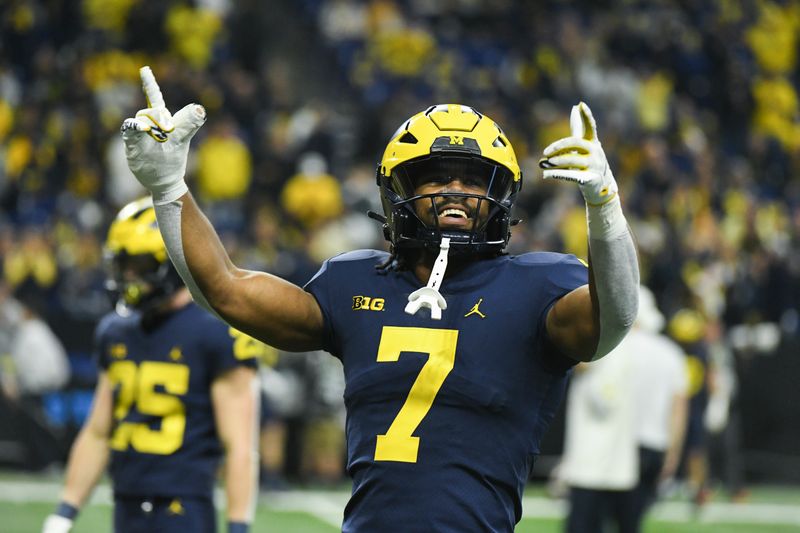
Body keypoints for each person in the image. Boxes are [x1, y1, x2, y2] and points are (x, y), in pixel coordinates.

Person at [120, 66, 640, 532]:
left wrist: (605, 208)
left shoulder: (538, 286)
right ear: (395, 191)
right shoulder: (354, 282)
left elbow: (612, 320)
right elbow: (226, 292)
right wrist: (169, 188)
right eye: (435, 176)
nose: (455, 191)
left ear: (501, 197)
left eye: (473, 179)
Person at [41, 197, 260, 533]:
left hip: (183, 508)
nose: (129, 277)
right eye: (123, 266)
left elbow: (240, 446)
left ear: (174, 262)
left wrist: (238, 525)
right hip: (126, 504)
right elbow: (98, 431)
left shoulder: (216, 332)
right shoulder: (115, 331)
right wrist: (64, 512)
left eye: (139, 266)